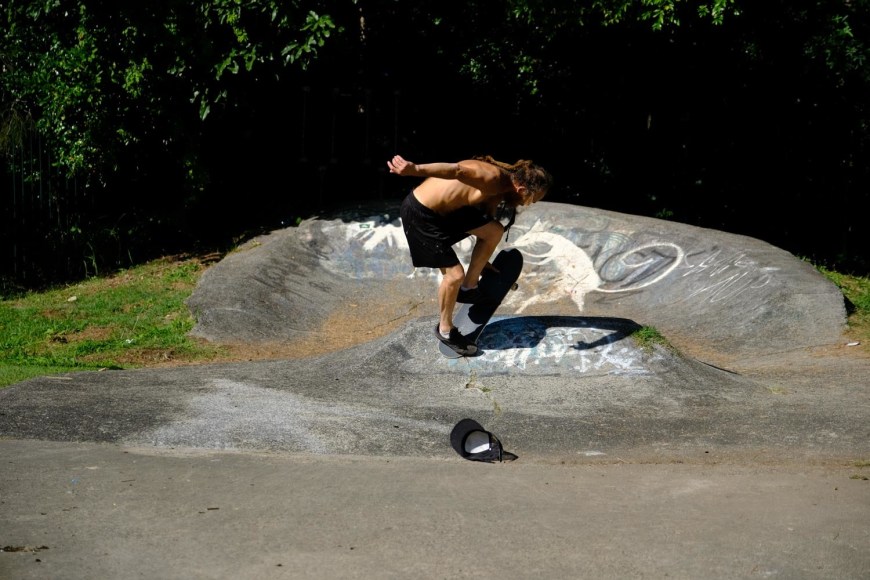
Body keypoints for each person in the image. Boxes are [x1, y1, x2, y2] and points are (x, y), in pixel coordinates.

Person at [387, 154, 553, 355]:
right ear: (522, 190)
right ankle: (445, 330)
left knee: (494, 230)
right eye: (530, 200)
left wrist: (481, 260)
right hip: (423, 215)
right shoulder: (491, 177)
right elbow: (457, 170)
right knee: (454, 275)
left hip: (449, 213)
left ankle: (469, 286)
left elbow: (484, 218)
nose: (527, 205)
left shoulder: (503, 186)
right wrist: (415, 169)